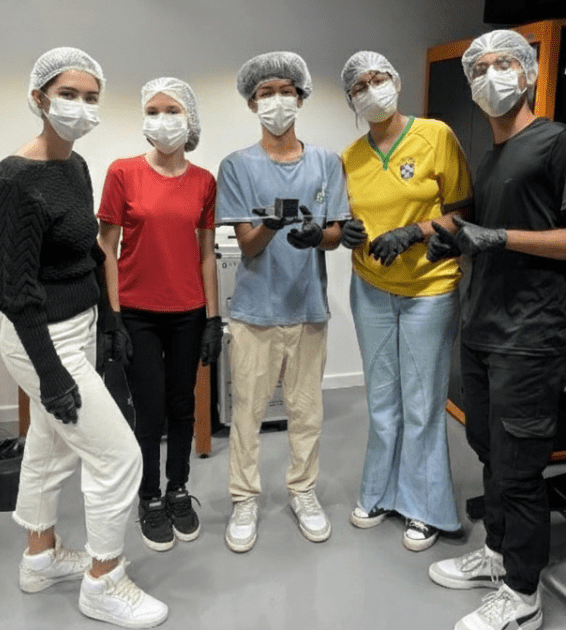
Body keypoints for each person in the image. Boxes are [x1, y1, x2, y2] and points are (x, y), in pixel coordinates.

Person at [0, 46, 167, 627]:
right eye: (68, 95)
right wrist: (54, 373)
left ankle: (39, 559)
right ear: (39, 99)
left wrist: (109, 318)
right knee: (119, 456)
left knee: (50, 444)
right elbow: (15, 293)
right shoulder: (15, 180)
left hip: (80, 326)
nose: (81, 107)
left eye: (91, 97)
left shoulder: (76, 166)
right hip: (40, 342)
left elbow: (89, 248)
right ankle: (104, 581)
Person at [424, 29, 566, 630]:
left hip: (529, 335)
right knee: (487, 450)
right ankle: (497, 553)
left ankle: (524, 594)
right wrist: (440, 233)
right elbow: (485, 224)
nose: (490, 75)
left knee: (520, 466)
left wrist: (501, 238)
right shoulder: (491, 155)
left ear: (529, 73)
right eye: (478, 68)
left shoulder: (555, 142)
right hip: (483, 328)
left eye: (503, 63)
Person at [338, 50, 472, 552]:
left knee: (422, 402)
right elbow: (339, 222)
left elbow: (462, 213)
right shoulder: (350, 157)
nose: (372, 90)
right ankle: (379, 492)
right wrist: (344, 232)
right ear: (351, 98)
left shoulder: (435, 134)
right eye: (360, 86)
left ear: (395, 80)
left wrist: (414, 232)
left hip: (429, 289)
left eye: (379, 79)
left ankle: (425, 506)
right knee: (381, 400)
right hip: (370, 286)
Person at [216, 51, 350, 553]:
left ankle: (303, 491)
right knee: (248, 411)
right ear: (252, 104)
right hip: (255, 311)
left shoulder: (325, 162)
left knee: (306, 410)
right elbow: (247, 244)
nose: (276, 100)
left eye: (285, 91)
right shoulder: (237, 166)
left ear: (301, 96)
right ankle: (245, 498)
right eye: (265, 93)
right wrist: (271, 225)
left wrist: (317, 234)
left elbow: (336, 233)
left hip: (309, 307)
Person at [96, 76, 220, 552]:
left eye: (171, 110)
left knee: (183, 405)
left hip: (188, 310)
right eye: (153, 111)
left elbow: (207, 253)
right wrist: (112, 316)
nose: (161, 120)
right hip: (138, 313)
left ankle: (178, 489)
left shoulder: (204, 181)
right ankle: (148, 497)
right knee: (148, 410)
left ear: (188, 119)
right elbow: (105, 246)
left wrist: (212, 318)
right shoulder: (123, 172)